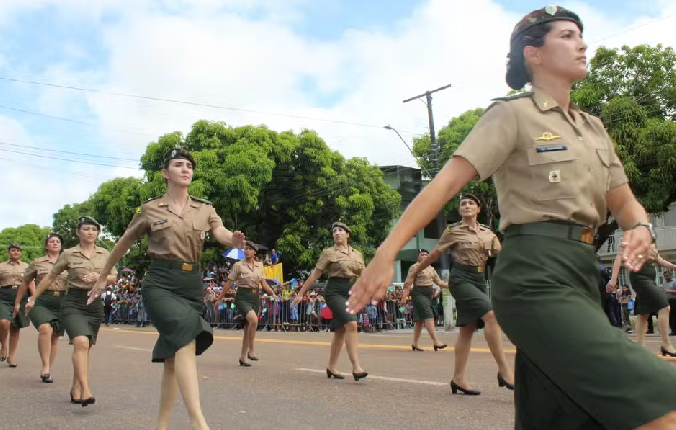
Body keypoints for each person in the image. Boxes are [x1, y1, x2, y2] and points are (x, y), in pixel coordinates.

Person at [347, 6, 676, 429]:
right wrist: (385, 252)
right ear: (533, 54)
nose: (582, 43)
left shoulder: (593, 128)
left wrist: (640, 228)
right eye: (568, 35)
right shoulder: (511, 115)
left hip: (581, 274)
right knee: (659, 403)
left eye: (581, 35)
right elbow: (443, 186)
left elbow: (625, 201)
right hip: (533, 278)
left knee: (564, 418)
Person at [88, 148, 245, 430]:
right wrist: (103, 275)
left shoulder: (205, 208)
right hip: (160, 282)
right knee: (184, 340)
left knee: (174, 358)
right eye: (178, 165)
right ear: (165, 173)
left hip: (191, 285)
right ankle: (199, 422)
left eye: (189, 166)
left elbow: (219, 232)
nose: (186, 169)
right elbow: (124, 241)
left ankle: (160, 425)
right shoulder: (150, 208)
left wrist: (232, 240)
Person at [405, 194, 513, 395]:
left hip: (479, 279)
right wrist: (416, 270)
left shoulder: (488, 233)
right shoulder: (452, 231)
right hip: (460, 279)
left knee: (468, 329)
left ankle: (458, 379)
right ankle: (504, 370)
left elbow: (502, 255)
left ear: (478, 209)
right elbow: (436, 253)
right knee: (491, 315)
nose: (466, 206)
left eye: (471, 203)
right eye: (463, 203)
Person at [26, 216, 117, 407]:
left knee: (85, 348)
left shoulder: (104, 253)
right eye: (86, 229)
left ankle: (75, 388)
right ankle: (86, 388)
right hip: (73, 302)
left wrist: (101, 277)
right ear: (78, 232)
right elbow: (51, 276)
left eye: (94, 229)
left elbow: (114, 277)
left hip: (94, 304)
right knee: (81, 342)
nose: (90, 232)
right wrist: (33, 298)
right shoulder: (68, 254)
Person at [292, 222, 367, 381]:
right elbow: (315, 275)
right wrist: (301, 293)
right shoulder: (328, 253)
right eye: (334, 231)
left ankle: (331, 367)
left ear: (348, 234)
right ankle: (356, 367)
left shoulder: (357, 254)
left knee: (340, 331)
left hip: (351, 291)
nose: (337, 233)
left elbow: (364, 275)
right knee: (351, 324)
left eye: (340, 230)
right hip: (334, 291)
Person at [14, 233, 68, 383]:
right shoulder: (37, 262)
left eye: (58, 241)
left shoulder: (68, 262)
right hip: (42, 300)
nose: (55, 243)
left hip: (62, 301)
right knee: (45, 328)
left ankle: (48, 370)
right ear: (46, 245)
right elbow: (25, 282)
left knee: (55, 336)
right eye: (52, 241)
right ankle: (45, 365)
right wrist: (18, 302)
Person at [215, 241, 278, 366]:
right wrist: (219, 298)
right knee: (254, 320)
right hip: (242, 296)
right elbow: (229, 283)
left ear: (255, 251)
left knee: (247, 327)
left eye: (249, 249)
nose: (247, 251)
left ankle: (243, 357)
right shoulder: (238, 265)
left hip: (255, 297)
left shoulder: (260, 265)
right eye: (245, 249)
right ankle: (252, 350)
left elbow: (263, 283)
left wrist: (272, 293)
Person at [608, 245, 676, 356]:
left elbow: (660, 260)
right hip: (639, 279)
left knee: (643, 313)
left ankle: (639, 347)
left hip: (650, 280)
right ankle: (666, 344)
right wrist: (614, 279)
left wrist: (673, 266)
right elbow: (619, 258)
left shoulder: (650, 244)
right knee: (664, 306)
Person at [0, 243, 32, 367]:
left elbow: (30, 283)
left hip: (21, 295)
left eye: (18, 250)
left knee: (15, 327)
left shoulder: (26, 266)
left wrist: (33, 299)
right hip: (4, 295)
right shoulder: (0, 266)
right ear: (9, 252)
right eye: (13, 250)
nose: (16, 252)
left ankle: (11, 356)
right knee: (4, 322)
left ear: (21, 253)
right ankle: (3, 345)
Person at [400, 248, 449, 352]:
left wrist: (450, 285)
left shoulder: (431, 269)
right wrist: (404, 297)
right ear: (418, 256)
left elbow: (439, 282)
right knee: (429, 315)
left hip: (429, 294)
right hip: (419, 293)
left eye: (426, 255)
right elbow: (408, 283)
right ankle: (436, 341)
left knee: (419, 320)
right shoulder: (414, 267)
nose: (424, 256)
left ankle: (415, 343)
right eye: (422, 255)